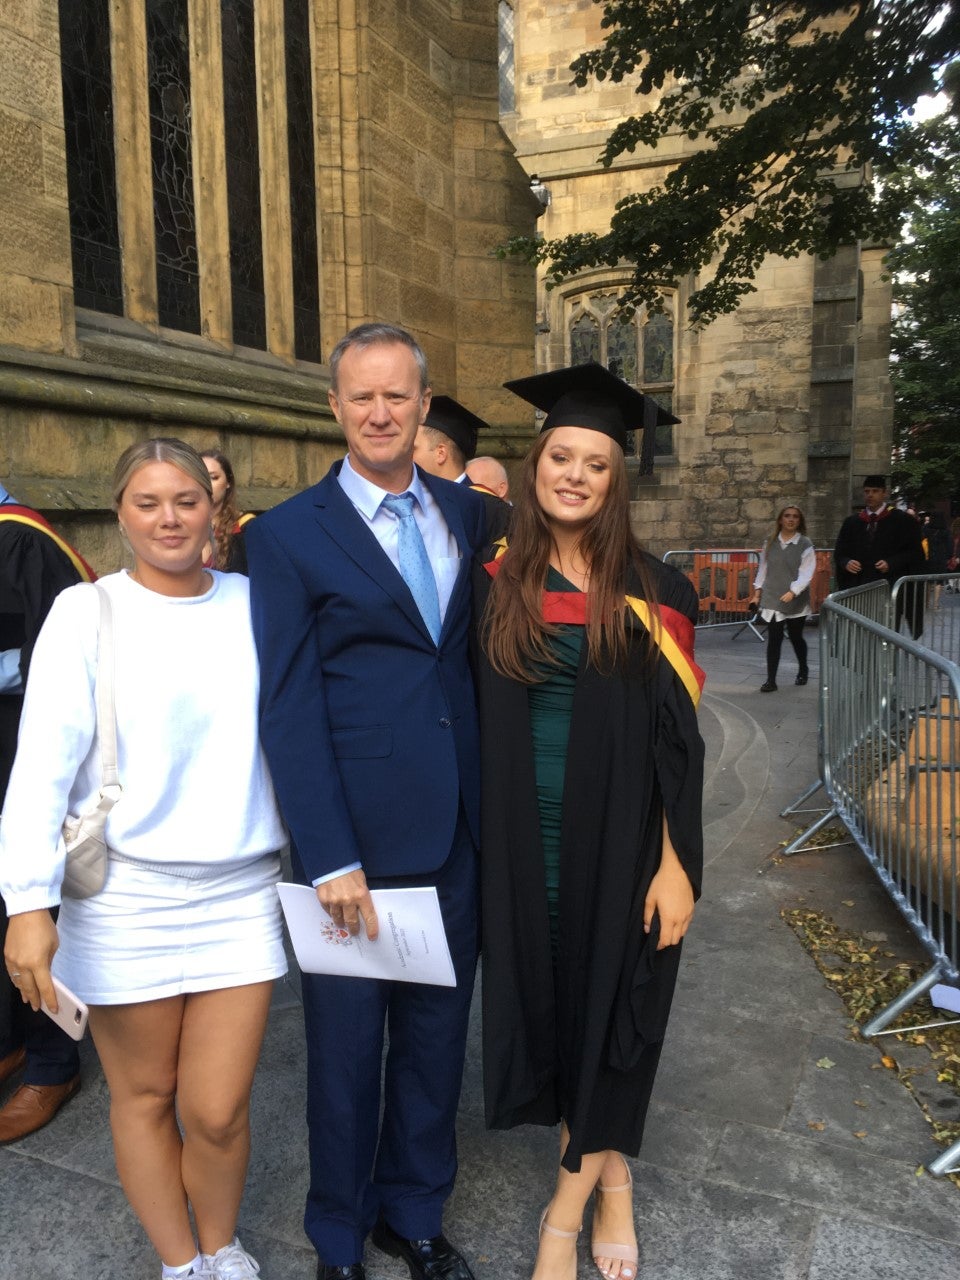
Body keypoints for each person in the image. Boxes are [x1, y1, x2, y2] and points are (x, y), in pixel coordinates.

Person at [1, 439, 288, 1280]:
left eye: (186, 501)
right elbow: (42, 768)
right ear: (121, 511)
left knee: (219, 1108)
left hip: (241, 893)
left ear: (214, 514)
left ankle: (222, 1244)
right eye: (148, 501)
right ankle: (183, 1263)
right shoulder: (87, 612)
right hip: (124, 897)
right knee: (147, 1096)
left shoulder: (254, 604)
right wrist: (26, 906)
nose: (169, 518)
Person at [246, 323, 485, 1280]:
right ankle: (338, 1238)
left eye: (398, 396)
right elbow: (289, 705)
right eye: (362, 397)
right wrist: (329, 851)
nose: (380, 412)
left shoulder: (469, 520)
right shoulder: (288, 534)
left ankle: (413, 1214)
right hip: (352, 845)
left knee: (436, 1046)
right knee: (344, 1059)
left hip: (459, 830)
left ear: (425, 406)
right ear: (336, 408)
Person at [474, 362, 705, 1280]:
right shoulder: (492, 583)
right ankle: (614, 1182)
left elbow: (677, 752)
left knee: (617, 1014)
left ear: (617, 481)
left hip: (620, 843)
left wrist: (677, 862)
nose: (573, 474)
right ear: (535, 467)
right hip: (524, 845)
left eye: (596, 463)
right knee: (558, 1014)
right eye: (559, 456)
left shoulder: (662, 591)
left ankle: (566, 1216)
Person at [0, 484, 96, 1142]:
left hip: (17, 758)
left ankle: (54, 1060)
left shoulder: (24, 539)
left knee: (38, 908)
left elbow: (56, 671)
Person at [834, 474, 926, 637]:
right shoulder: (852, 522)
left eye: (875, 491)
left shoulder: (902, 521)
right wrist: (846, 562)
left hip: (888, 588)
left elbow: (914, 553)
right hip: (859, 588)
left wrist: (892, 563)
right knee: (859, 633)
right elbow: (840, 552)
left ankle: (886, 662)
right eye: (867, 491)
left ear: (884, 493)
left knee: (886, 635)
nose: (870, 495)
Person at [414, 394, 512, 542]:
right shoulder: (412, 505)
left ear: (441, 453)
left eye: (412, 449)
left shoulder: (491, 512)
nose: (402, 456)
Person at [750, 505, 816, 692]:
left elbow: (806, 573)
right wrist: (757, 594)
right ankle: (771, 680)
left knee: (796, 637)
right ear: (780, 519)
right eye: (787, 516)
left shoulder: (805, 545)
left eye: (795, 516)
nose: (791, 519)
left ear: (799, 521)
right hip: (773, 597)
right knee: (774, 638)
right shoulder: (770, 543)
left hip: (795, 599)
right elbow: (763, 569)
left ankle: (803, 668)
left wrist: (793, 591)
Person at [200, 449, 254, 573]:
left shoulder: (246, 527)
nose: (206, 484)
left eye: (213, 477)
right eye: (200, 477)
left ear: (228, 482)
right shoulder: (182, 525)